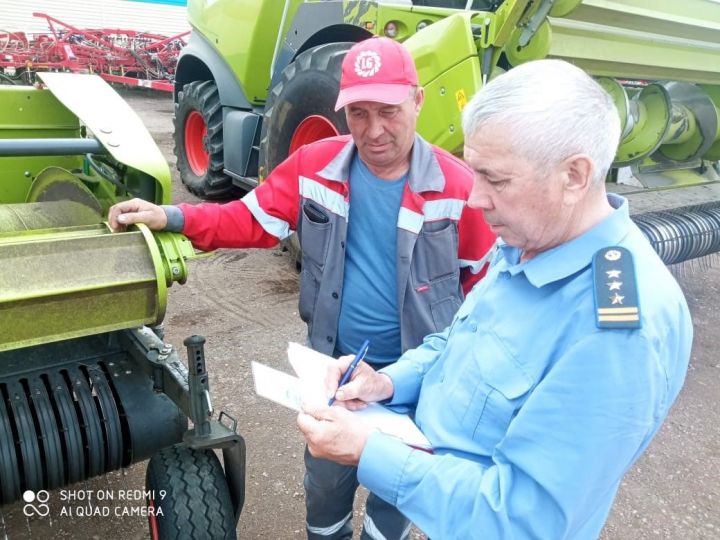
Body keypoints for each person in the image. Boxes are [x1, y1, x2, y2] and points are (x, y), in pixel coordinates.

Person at [108, 37, 496, 540]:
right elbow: (248, 219)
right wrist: (174, 215)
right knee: (326, 483)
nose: (374, 130)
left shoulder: (458, 189)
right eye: (358, 113)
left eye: (388, 111)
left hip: (416, 382)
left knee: (398, 492)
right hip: (332, 375)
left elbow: (485, 294)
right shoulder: (315, 167)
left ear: (417, 101)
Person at [297, 59, 693, 539]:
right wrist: (386, 383)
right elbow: (457, 343)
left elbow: (523, 520)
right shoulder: (531, 244)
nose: (475, 200)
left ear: (574, 176)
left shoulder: (616, 331)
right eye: (474, 173)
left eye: (495, 180)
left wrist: (368, 450)